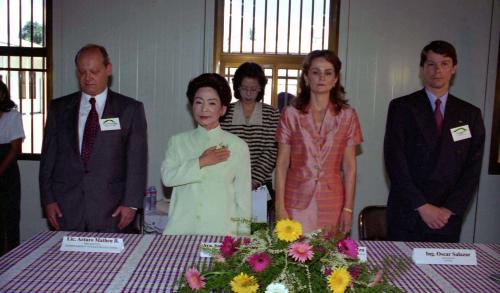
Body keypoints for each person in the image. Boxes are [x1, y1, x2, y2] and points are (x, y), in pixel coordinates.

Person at [39, 44, 148, 233]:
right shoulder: (59, 108)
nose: (87, 77)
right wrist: (48, 199)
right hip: (66, 208)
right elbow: (48, 159)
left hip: (113, 210)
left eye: (94, 71)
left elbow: (137, 162)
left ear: (108, 69)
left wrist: (131, 204)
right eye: (82, 72)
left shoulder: (129, 109)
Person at [384, 40, 485, 242]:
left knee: (445, 273)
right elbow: (395, 162)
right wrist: (422, 206)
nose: (437, 70)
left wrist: (449, 209)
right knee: (403, 273)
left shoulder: (470, 114)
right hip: (408, 212)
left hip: (446, 217)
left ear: (453, 68)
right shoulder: (402, 107)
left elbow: (472, 170)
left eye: (444, 63)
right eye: (431, 64)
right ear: (422, 68)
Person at [275, 50, 363, 234]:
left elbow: (349, 166)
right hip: (295, 200)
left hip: (332, 202)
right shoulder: (290, 114)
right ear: (306, 78)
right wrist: (279, 205)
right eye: (315, 72)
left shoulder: (348, 115)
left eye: (328, 72)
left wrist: (348, 208)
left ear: (335, 79)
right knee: (294, 256)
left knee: (329, 257)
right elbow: (282, 163)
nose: (321, 77)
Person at [162, 73, 251, 236]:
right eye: (198, 102)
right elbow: (168, 178)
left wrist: (243, 237)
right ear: (191, 106)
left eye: (212, 103)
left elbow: (243, 199)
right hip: (181, 230)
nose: (204, 109)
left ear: (223, 109)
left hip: (221, 232)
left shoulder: (238, 146)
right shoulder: (178, 142)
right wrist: (201, 161)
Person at [220, 62, 280, 222]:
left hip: (260, 185)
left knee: (256, 232)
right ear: (237, 87)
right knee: (229, 230)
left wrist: (254, 179)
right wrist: (237, 178)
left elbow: (272, 149)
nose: (248, 93)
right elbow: (221, 146)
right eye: (244, 88)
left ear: (261, 88)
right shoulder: (225, 112)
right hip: (228, 182)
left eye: (253, 89)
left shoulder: (271, 113)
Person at [0, 79, 25, 255]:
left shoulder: (13, 115)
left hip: (6, 171)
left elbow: (15, 149)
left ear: (2, 94)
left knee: (9, 216)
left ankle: (11, 256)